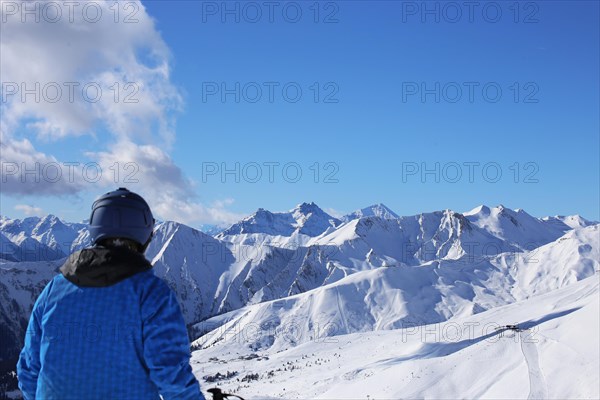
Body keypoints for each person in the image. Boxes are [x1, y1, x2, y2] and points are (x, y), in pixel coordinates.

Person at [17, 188, 205, 400]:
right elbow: (172, 375)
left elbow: (28, 370)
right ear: (144, 235)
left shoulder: (54, 289)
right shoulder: (151, 294)